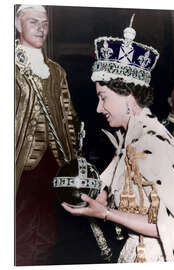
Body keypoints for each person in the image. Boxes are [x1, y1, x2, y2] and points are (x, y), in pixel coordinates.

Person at [62, 15, 174, 262]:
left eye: (104, 97)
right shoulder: (130, 138)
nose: (99, 108)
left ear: (128, 96)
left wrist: (107, 213)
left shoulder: (153, 142)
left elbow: (170, 226)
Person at [15, 5, 79, 266]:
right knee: (19, 231)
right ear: (19, 26)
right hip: (19, 164)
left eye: (45, 23)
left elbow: (69, 116)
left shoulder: (57, 71)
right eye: (33, 22)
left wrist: (74, 157)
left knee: (48, 234)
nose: (41, 28)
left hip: (54, 163)